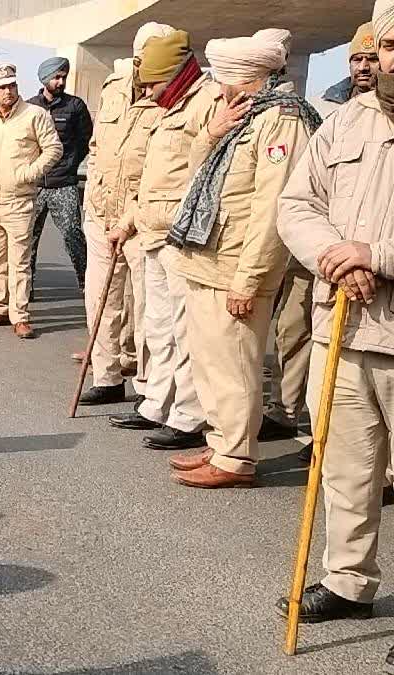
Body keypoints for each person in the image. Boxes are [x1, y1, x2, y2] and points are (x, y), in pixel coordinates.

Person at [276, 3, 394, 653]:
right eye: (390, 43)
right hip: (342, 328)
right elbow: (297, 205)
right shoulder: (346, 119)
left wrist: (374, 254)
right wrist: (334, 254)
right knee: (345, 467)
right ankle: (349, 581)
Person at [165, 33, 318, 489]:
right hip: (208, 258)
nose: (217, 85)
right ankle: (221, 440)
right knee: (212, 361)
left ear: (246, 78)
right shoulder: (242, 114)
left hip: (236, 266)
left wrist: (248, 280)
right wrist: (211, 134)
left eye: (223, 77)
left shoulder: (284, 120)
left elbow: (273, 209)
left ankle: (236, 457)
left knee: (234, 363)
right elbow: (197, 176)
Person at [265, 21, 379, 455]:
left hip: (370, 260)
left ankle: (341, 445)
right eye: (357, 58)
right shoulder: (328, 107)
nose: (364, 66)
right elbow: (303, 190)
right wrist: (326, 248)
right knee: (294, 330)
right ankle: (286, 411)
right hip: (319, 249)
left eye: (372, 57)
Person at [102, 31, 216, 450]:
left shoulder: (208, 102)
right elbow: (152, 179)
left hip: (183, 237)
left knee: (186, 330)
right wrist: (127, 222)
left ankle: (188, 415)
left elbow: (205, 175)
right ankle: (157, 403)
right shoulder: (167, 106)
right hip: (151, 232)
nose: (147, 93)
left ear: (173, 74)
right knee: (158, 326)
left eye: (151, 84)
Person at [79, 22, 175, 407]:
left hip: (140, 220)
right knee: (100, 300)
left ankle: (147, 387)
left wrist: (130, 217)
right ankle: (106, 376)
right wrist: (95, 199)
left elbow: (162, 169)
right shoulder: (113, 89)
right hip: (101, 213)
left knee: (147, 310)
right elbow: (98, 144)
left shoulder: (167, 97)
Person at [0, 63, 62, 339]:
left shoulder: (35, 115)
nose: (7, 91)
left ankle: (19, 315)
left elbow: (54, 149)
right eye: (1, 88)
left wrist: (28, 173)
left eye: (11, 86)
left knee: (19, 261)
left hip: (19, 200)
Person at [27, 56, 93, 291]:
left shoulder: (75, 107)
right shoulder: (29, 107)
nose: (60, 81)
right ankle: (26, 286)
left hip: (63, 183)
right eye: (56, 77)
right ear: (45, 79)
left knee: (73, 234)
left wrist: (70, 164)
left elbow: (86, 141)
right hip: (34, 185)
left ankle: (87, 282)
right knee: (27, 239)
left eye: (63, 77)